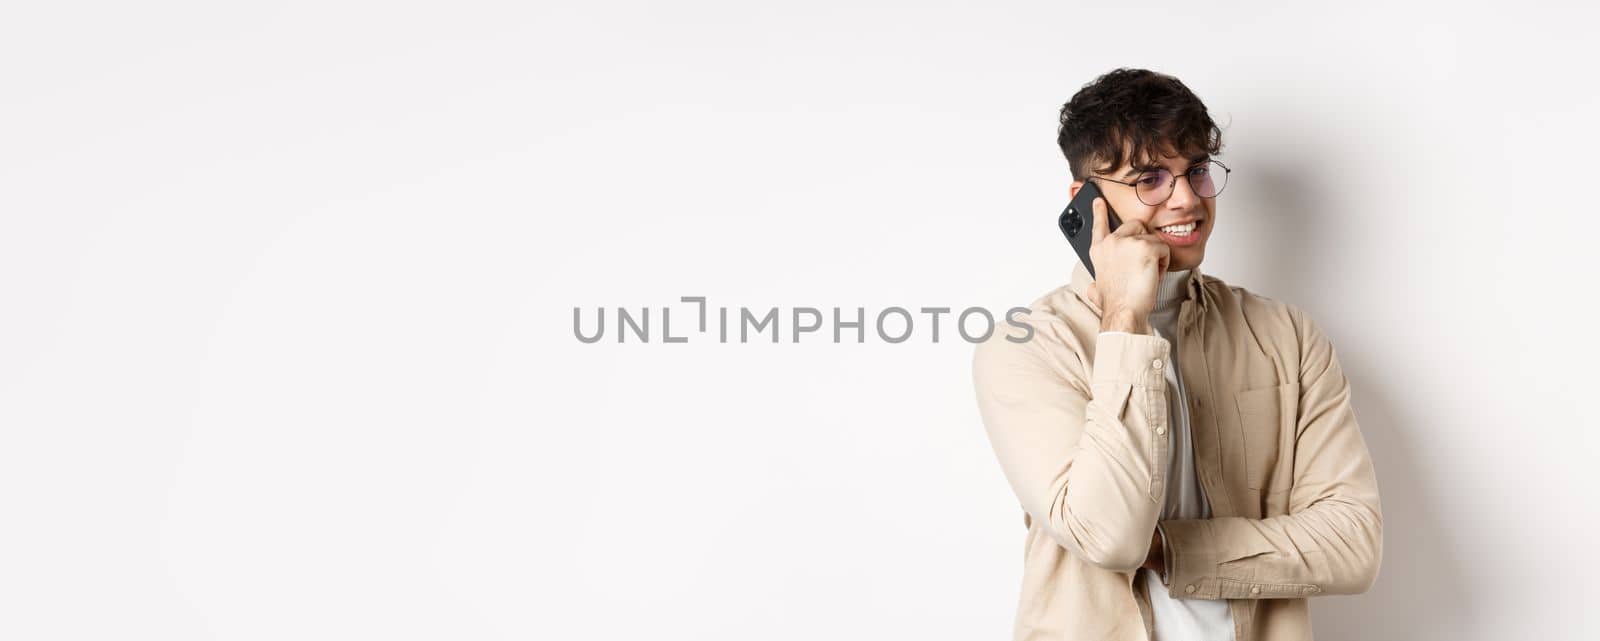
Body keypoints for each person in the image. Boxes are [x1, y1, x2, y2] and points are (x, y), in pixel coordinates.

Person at [971, 68, 1382, 641]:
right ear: (1086, 203)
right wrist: (1125, 321)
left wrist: (1170, 549)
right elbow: (1109, 537)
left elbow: (1353, 545)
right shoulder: (1028, 347)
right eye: (1150, 179)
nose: (1187, 197)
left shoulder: (1286, 335)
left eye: (1196, 172)